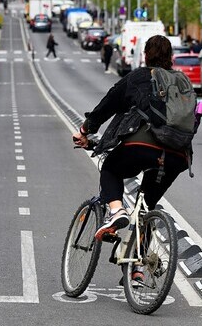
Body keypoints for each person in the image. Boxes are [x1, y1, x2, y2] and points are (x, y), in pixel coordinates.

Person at [73, 35, 190, 240]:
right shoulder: (182, 82)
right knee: (146, 210)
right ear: (171, 57)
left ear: (145, 55)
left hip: (141, 145)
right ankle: (138, 268)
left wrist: (84, 131)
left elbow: (107, 105)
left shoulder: (138, 77)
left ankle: (117, 211)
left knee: (110, 168)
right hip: (177, 154)